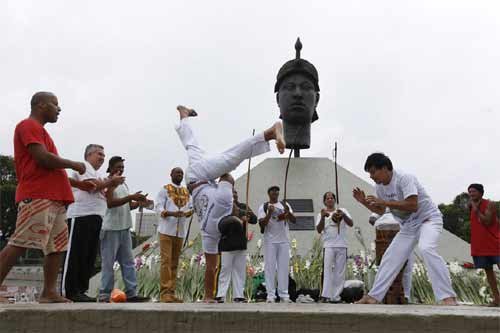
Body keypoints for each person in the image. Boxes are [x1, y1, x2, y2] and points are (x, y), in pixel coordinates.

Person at [175, 105, 285, 302]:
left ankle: (269, 133)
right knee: (192, 147)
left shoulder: (224, 203)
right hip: (197, 180)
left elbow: (227, 175)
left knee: (231, 159)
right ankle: (184, 116)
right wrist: (207, 298)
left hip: (198, 175)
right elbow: (210, 267)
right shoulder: (208, 232)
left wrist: (217, 178)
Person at [0, 92, 86, 303]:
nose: (59, 109)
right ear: (40, 105)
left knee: (56, 246)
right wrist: (74, 164)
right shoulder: (28, 126)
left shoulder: (41, 132)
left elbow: (52, 170)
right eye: (55, 104)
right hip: (38, 195)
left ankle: (49, 292)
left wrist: (78, 184)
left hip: (55, 197)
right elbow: (43, 159)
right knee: (21, 241)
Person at [353, 153, 457, 305]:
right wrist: (364, 202)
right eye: (369, 173)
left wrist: (385, 202)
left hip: (428, 220)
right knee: (390, 257)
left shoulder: (404, 178)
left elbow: (413, 205)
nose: (371, 176)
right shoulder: (380, 187)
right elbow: (381, 211)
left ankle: (448, 297)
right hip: (409, 226)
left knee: (426, 248)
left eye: (373, 171)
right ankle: (373, 297)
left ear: (385, 168)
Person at [63, 144, 125, 302]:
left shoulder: (96, 173)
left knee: (88, 255)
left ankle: (81, 290)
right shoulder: (84, 167)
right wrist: (111, 182)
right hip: (81, 214)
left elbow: (103, 192)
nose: (103, 158)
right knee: (76, 253)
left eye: (104, 155)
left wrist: (111, 184)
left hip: (96, 216)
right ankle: (70, 290)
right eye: (99, 154)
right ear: (89, 155)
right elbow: (92, 187)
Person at [98, 156, 151, 303]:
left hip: (125, 227)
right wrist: (131, 197)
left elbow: (126, 206)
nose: (120, 169)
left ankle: (132, 292)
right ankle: (104, 294)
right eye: (118, 167)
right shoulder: (108, 182)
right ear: (110, 167)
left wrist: (138, 202)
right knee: (108, 263)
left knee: (128, 262)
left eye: (122, 167)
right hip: (110, 228)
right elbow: (110, 203)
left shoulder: (123, 184)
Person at [155, 167, 193, 303]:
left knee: (175, 262)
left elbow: (191, 207)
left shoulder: (186, 191)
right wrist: (170, 213)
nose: (180, 175)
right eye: (177, 173)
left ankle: (171, 292)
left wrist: (188, 213)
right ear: (171, 174)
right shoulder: (165, 189)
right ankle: (164, 292)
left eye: (181, 173)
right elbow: (158, 206)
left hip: (180, 232)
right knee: (166, 261)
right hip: (166, 230)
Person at [215, 189, 258, 303]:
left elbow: (254, 219)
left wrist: (245, 214)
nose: (234, 196)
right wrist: (236, 218)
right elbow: (221, 225)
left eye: (236, 194)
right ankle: (220, 295)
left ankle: (238, 296)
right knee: (225, 269)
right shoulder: (224, 209)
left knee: (239, 271)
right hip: (227, 244)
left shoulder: (243, 207)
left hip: (240, 244)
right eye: (232, 194)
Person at [258, 186, 296, 303]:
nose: (275, 192)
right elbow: (262, 224)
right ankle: (270, 295)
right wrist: (269, 213)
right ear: (268, 193)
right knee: (270, 268)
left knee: (283, 268)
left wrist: (287, 212)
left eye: (277, 190)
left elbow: (294, 220)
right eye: (272, 190)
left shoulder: (285, 205)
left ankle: (284, 295)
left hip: (284, 241)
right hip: (270, 241)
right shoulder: (263, 206)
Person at [315, 191, 353, 303]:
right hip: (329, 245)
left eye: (332, 198)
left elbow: (351, 223)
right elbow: (319, 229)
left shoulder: (342, 210)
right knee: (327, 270)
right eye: (328, 198)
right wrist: (322, 217)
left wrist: (343, 215)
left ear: (335, 200)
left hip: (342, 244)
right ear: (324, 201)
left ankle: (335, 297)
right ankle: (326, 295)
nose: (330, 200)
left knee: (340, 272)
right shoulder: (321, 213)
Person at [369, 212, 415, 302]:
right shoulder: (384, 203)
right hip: (385, 241)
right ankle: (379, 296)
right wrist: (380, 222)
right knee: (384, 269)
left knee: (407, 268)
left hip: (406, 235)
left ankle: (406, 296)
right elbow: (372, 219)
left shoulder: (407, 203)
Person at [467, 183, 499, 307]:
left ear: (480, 192)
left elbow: (487, 221)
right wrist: (473, 207)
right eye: (469, 192)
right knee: (489, 272)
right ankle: (497, 299)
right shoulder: (470, 205)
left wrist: (475, 209)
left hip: (495, 241)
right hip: (480, 244)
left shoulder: (489, 204)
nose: (471, 194)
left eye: (473, 191)